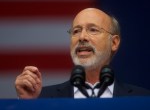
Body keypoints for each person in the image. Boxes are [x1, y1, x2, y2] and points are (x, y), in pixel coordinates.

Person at [15, 8, 150, 99]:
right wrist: (28, 106)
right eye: (76, 31)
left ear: (114, 43)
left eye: (93, 30)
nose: (82, 37)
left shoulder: (142, 99)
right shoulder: (41, 98)